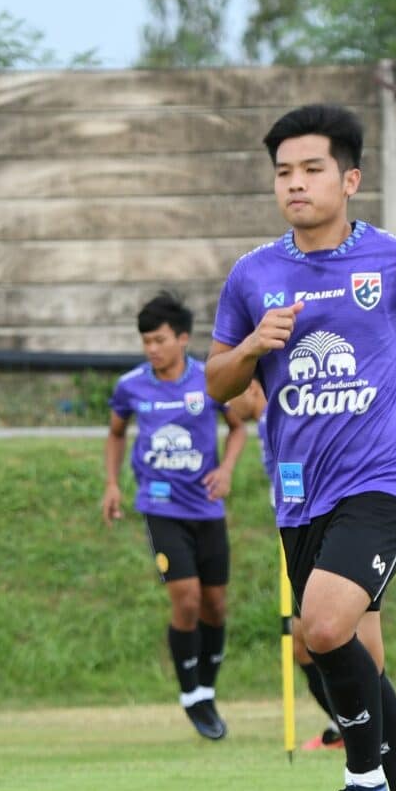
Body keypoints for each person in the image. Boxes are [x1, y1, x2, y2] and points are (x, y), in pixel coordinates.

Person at [206, 104, 396, 791]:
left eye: (311, 169)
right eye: (283, 173)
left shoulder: (394, 259)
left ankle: (362, 779)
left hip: (385, 479)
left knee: (321, 629)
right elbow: (216, 382)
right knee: (349, 655)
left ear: (350, 179)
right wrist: (252, 347)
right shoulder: (252, 275)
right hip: (302, 492)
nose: (294, 184)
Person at [104, 293, 246, 741]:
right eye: (146, 341)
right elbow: (115, 433)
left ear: (183, 339)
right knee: (186, 599)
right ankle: (190, 695)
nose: (152, 349)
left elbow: (239, 427)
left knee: (214, 605)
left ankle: (207, 689)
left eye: (160, 340)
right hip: (160, 507)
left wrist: (226, 470)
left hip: (206, 508)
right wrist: (112, 484)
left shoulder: (208, 380)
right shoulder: (131, 386)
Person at [232, 378, 342, 751]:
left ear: (253, 389)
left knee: (324, 635)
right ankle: (342, 721)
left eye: (236, 393)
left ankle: (357, 723)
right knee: (302, 641)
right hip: (296, 526)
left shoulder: (277, 419)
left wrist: (290, 503)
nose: (229, 403)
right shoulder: (268, 422)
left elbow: (297, 472)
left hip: (312, 530)